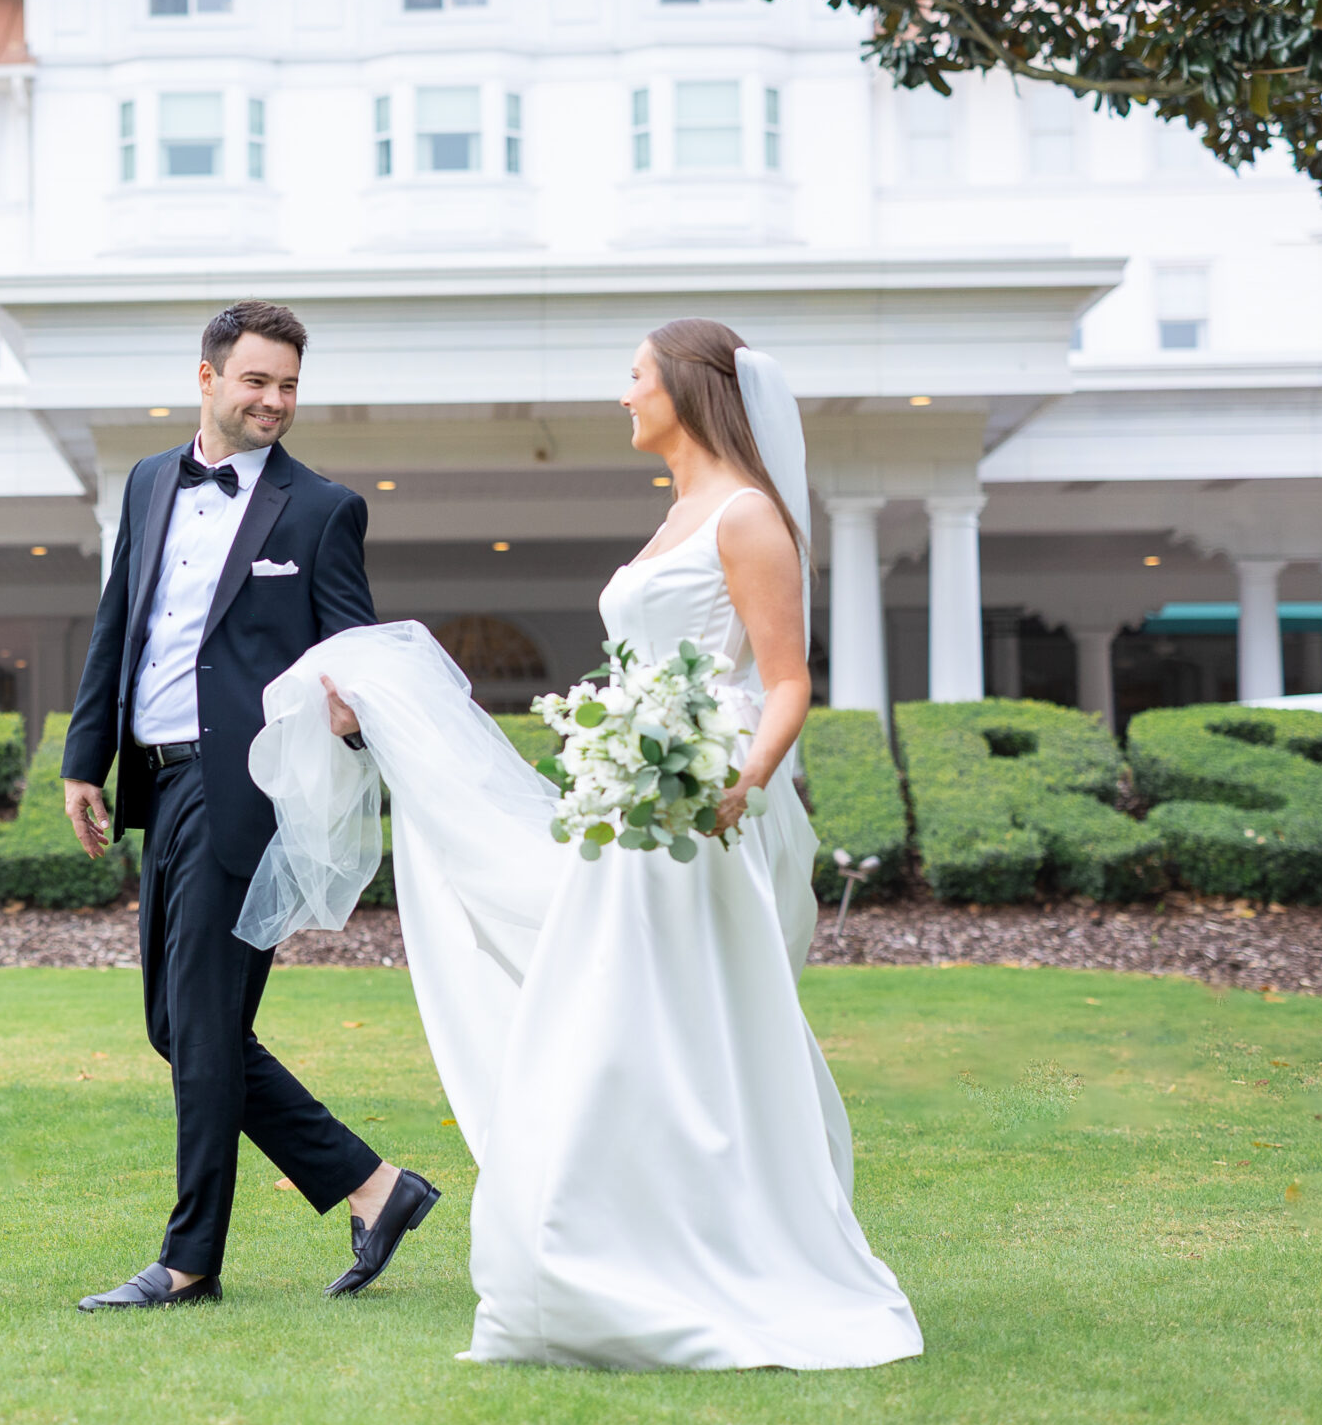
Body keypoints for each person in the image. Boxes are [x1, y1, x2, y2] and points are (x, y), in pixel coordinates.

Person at [243, 318, 924, 1370]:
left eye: (637, 376)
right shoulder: (678, 513)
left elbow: (785, 681)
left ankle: (682, 1252)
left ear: (688, 389)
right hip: (626, 811)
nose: (624, 394)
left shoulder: (747, 516)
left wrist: (737, 779)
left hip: (692, 819)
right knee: (613, 1030)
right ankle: (599, 1256)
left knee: (659, 1033)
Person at [60, 301, 441, 1311]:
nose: (274, 401)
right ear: (208, 378)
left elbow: (355, 651)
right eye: (257, 381)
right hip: (158, 783)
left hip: (246, 794)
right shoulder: (149, 481)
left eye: (289, 386)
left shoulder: (322, 510)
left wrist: (355, 718)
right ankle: (374, 1187)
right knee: (182, 1027)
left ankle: (189, 1261)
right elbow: (118, 622)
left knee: (199, 1026)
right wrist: (85, 757)